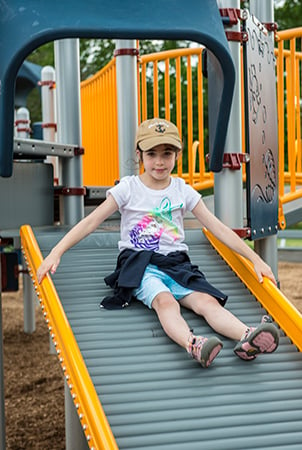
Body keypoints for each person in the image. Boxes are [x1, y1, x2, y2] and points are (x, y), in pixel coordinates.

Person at [37, 117, 279, 368]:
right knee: (166, 302)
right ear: (139, 154)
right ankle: (192, 343)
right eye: (152, 154)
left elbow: (216, 226)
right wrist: (57, 252)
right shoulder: (128, 188)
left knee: (206, 302)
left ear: (177, 154)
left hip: (177, 264)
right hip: (141, 265)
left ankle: (246, 337)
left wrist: (255, 259)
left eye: (167, 153)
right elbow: (91, 222)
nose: (160, 161)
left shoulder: (181, 190)